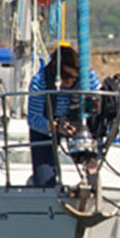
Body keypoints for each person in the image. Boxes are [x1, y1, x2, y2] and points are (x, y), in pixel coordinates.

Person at [26, 44, 93, 187]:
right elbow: (33, 119)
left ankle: (91, 181)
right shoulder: (39, 82)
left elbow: (100, 98)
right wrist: (53, 127)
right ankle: (40, 182)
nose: (69, 83)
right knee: (44, 180)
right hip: (48, 128)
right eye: (66, 78)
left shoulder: (88, 77)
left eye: (73, 79)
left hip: (81, 126)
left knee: (94, 160)